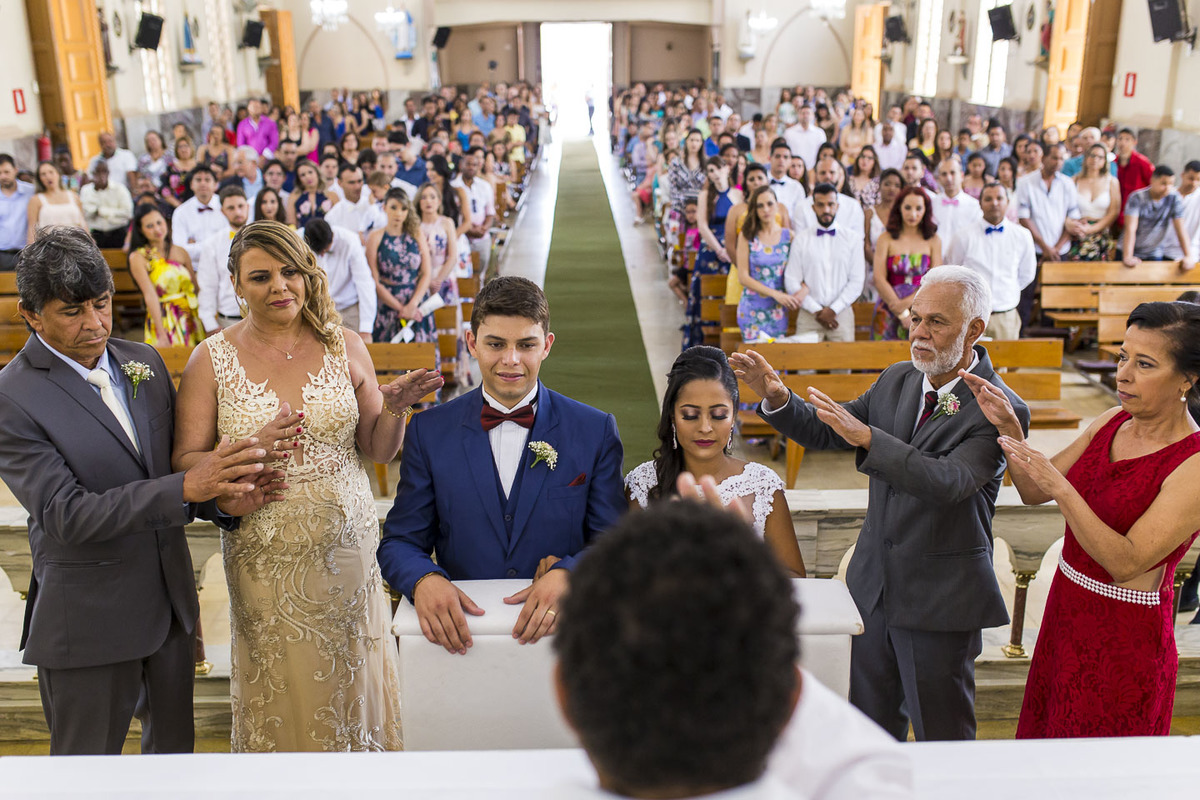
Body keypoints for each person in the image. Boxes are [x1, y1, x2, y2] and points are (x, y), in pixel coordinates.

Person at [0, 226, 280, 754]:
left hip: (170, 610)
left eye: (102, 304)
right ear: (31, 315)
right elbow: (65, 514)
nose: (94, 324)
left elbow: (171, 475)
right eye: (72, 311)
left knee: (173, 768)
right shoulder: (11, 397)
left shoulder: (144, 362)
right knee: (85, 775)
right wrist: (187, 486)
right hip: (88, 619)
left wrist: (221, 498)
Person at [171, 219, 441, 751]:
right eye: (261, 276)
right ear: (235, 284)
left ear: (308, 274)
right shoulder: (211, 359)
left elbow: (378, 448)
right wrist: (248, 448)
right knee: (283, 688)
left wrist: (394, 408)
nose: (279, 287)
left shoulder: (343, 345)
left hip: (349, 554)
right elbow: (186, 460)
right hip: (265, 557)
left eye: (290, 272)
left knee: (355, 682)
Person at [732, 265, 1029, 741]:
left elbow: (950, 481)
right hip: (872, 591)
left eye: (936, 322)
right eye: (915, 318)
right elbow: (830, 428)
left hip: (939, 600)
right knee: (869, 730)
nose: (919, 333)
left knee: (943, 737)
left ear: (975, 328)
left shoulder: (999, 407)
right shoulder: (898, 379)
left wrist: (870, 439)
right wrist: (778, 397)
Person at [980, 301, 1200, 737]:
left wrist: (1065, 490)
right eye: (1122, 356)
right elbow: (1033, 491)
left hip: (1125, 638)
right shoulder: (1112, 421)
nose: (1123, 374)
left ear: (1187, 380)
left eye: (1145, 364)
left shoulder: (1192, 463)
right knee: (1046, 745)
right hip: (1067, 612)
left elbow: (1126, 562)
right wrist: (1010, 428)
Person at [376, 276, 626, 654]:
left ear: (547, 346)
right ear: (472, 343)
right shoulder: (429, 432)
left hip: (566, 639)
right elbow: (400, 541)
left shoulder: (594, 430)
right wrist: (423, 578)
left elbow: (616, 542)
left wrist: (572, 575)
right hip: (461, 641)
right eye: (496, 344)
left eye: (526, 345)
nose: (511, 360)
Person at [627, 345, 807, 575]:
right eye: (690, 415)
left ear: (733, 417)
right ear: (672, 416)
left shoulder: (762, 485)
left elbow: (796, 579)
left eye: (718, 415)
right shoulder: (643, 483)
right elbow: (627, 576)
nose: (705, 428)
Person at [946, 184, 1037, 340]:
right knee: (969, 363)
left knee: (1005, 363)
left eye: (999, 198)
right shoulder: (963, 236)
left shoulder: (1022, 235)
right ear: (980, 204)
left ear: (1007, 202)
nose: (994, 203)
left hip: (1006, 315)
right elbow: (952, 271)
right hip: (971, 316)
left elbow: (1027, 274)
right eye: (988, 199)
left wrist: (1007, 292)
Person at [786, 184, 865, 342]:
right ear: (813, 207)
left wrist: (833, 310)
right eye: (821, 205)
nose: (826, 210)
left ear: (837, 206)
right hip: (809, 314)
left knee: (842, 366)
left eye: (830, 204)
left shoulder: (852, 239)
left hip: (841, 315)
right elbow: (791, 280)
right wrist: (816, 310)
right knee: (805, 366)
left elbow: (857, 281)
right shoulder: (801, 239)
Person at [1017, 143, 1081, 328]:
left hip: (1060, 249)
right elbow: (1024, 218)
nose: (1058, 162)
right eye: (1054, 157)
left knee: (1053, 296)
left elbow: (1072, 219)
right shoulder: (1026, 182)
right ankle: (1021, 335)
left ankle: (1048, 336)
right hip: (1034, 248)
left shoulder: (1068, 184)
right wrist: (1045, 247)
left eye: (1062, 158)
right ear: (1043, 158)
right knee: (1026, 293)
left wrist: (1057, 249)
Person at [684, 157, 741, 350]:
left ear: (726, 169)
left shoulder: (737, 195)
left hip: (733, 248)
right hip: (711, 251)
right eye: (710, 170)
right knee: (706, 297)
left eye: (717, 168)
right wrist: (719, 249)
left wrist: (730, 249)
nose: (714, 173)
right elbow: (702, 225)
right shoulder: (705, 195)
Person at [128, 203, 203, 347]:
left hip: (189, 313)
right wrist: (161, 333)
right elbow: (150, 294)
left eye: (159, 223)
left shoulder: (180, 252)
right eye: (150, 226)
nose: (157, 229)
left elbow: (195, 287)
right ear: (141, 230)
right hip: (163, 316)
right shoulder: (138, 257)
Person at [873, 186, 941, 339]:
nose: (913, 214)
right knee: (883, 358)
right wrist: (899, 310)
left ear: (926, 210)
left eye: (918, 208)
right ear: (899, 208)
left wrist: (908, 304)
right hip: (888, 306)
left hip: (924, 309)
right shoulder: (885, 238)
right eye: (908, 208)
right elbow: (879, 278)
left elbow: (936, 280)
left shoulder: (933, 240)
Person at [367, 188, 432, 345]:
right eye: (394, 207)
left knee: (419, 356)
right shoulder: (375, 237)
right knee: (388, 356)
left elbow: (426, 273)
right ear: (384, 207)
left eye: (403, 209)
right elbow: (373, 280)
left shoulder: (416, 233)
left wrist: (412, 305)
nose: (398, 213)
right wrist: (400, 309)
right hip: (387, 303)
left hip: (415, 301)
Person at [735, 187, 798, 343]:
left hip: (778, 309)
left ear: (777, 205)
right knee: (752, 359)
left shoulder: (788, 236)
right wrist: (775, 294)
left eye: (770, 204)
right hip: (752, 306)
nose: (766, 209)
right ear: (754, 209)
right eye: (760, 205)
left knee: (776, 358)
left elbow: (798, 271)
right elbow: (743, 277)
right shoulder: (747, 235)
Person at [301, 219, 376, 341]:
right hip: (317, 310)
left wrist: (366, 328)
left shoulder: (350, 241)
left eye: (326, 250)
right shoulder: (297, 241)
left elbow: (365, 283)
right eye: (320, 253)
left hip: (348, 308)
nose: (323, 255)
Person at [197, 185, 250, 333]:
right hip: (227, 320)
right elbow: (207, 285)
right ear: (222, 211)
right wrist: (210, 324)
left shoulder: (263, 238)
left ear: (248, 206)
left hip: (261, 318)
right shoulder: (212, 244)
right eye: (231, 208)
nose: (237, 212)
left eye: (240, 206)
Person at [1123, 166, 1196, 270]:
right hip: (1130, 249)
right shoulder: (1137, 197)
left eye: (1171, 184)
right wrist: (1128, 256)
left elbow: (1180, 229)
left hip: (1154, 251)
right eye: (1163, 183)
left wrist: (1188, 256)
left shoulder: (1174, 198)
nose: (1167, 188)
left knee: (1154, 284)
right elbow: (1130, 228)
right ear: (1152, 180)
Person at [1069, 143, 1120, 261]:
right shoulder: (1074, 180)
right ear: (1086, 158)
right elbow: (1065, 208)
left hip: (1100, 231)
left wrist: (1092, 229)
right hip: (1077, 230)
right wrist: (1072, 225)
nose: (1095, 159)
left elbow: (1113, 212)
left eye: (1100, 157)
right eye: (1092, 155)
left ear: (1105, 161)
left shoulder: (1112, 182)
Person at [453, 146, 496, 275]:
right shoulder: (454, 186)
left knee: (480, 275)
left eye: (474, 165)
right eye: (468, 164)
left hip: (482, 237)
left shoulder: (484, 186)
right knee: (464, 275)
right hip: (462, 237)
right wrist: (470, 230)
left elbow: (490, 212)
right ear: (461, 165)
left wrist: (484, 228)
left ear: (478, 167)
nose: (471, 167)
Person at [171, 166, 226, 265]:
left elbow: (231, 244)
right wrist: (216, 246)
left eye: (207, 180)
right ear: (191, 184)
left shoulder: (226, 206)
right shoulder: (181, 212)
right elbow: (179, 250)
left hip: (224, 265)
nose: (203, 183)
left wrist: (195, 246)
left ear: (216, 185)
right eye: (198, 180)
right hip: (194, 268)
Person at [930, 158, 982, 254]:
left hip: (964, 262)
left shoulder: (974, 206)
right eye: (944, 174)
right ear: (939, 178)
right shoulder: (931, 204)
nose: (948, 178)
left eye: (952, 173)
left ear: (962, 175)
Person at [27, 160, 86, 240]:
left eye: (51, 172)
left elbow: (83, 224)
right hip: (50, 245)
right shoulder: (36, 200)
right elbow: (32, 228)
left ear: (58, 173)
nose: (48, 176)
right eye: (43, 174)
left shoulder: (74, 196)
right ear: (40, 178)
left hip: (76, 244)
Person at [79, 161, 134, 249]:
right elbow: (85, 214)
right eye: (97, 172)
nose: (101, 175)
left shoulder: (119, 189)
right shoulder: (86, 190)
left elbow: (128, 213)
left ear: (108, 173)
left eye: (104, 171)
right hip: (95, 235)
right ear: (91, 174)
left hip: (118, 233)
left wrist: (101, 211)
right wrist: (96, 212)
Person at [0, 154, 36, 269]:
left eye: (6, 172)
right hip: (2, 254)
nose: (3, 176)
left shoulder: (31, 192)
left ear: (15, 170)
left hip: (27, 253)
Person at [1115, 128, 1154, 230]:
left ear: (1134, 142)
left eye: (1127, 139)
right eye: (1120, 139)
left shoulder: (1142, 162)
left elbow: (1153, 183)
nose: (1123, 143)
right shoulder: (1113, 162)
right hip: (1116, 211)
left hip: (1135, 212)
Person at [323, 163, 373, 237]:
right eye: (351, 182)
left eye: (360, 181)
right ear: (340, 183)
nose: (357, 187)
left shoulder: (374, 206)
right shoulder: (332, 216)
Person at [1165, 161, 1200, 263]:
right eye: (1191, 178)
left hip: (1191, 254)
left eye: (1198, 180)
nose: (1194, 183)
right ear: (1182, 175)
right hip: (1165, 251)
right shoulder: (1169, 194)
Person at [288, 161, 338, 228]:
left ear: (317, 173)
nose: (308, 177)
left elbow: (339, 219)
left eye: (310, 172)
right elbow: (292, 223)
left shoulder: (332, 195)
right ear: (299, 179)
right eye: (303, 175)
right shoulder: (294, 197)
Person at [784, 105, 826, 175]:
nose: (805, 116)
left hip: (813, 171)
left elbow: (823, 152)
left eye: (808, 113)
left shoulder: (819, 133)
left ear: (813, 116)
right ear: (798, 115)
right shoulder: (789, 133)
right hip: (794, 170)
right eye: (803, 113)